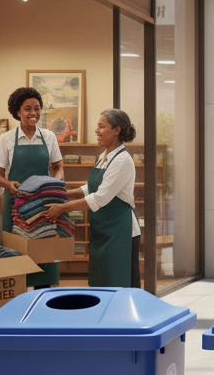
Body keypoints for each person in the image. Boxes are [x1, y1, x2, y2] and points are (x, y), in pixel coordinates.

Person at [41, 110, 140, 287]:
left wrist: (62, 207)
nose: (96, 131)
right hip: (103, 231)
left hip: (120, 233)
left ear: (116, 130)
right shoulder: (103, 157)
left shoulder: (122, 160)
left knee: (117, 284)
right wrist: (63, 193)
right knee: (100, 282)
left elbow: (101, 197)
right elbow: (91, 188)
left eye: (101, 126)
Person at [0, 87, 64, 288]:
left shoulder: (49, 137)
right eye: (28, 109)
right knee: (16, 255)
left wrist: (57, 183)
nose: (33, 113)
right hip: (16, 205)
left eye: (37, 108)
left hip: (43, 205)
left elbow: (59, 167)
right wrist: (9, 184)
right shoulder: (6, 139)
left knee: (45, 254)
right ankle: (17, 299)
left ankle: (44, 296)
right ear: (18, 112)